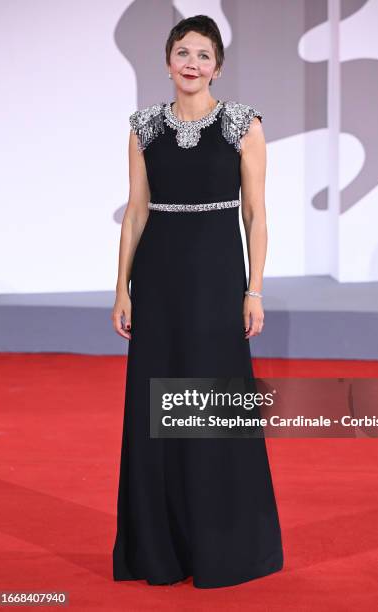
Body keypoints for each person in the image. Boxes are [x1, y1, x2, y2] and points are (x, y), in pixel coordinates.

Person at [111, 15, 284, 589]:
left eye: (203, 55)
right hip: (157, 282)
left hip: (216, 281)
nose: (191, 63)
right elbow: (135, 213)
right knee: (155, 412)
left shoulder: (243, 124)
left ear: (218, 67)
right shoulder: (142, 127)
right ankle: (160, 551)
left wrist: (254, 289)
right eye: (182, 52)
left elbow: (255, 214)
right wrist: (121, 289)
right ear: (166, 61)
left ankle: (225, 545)